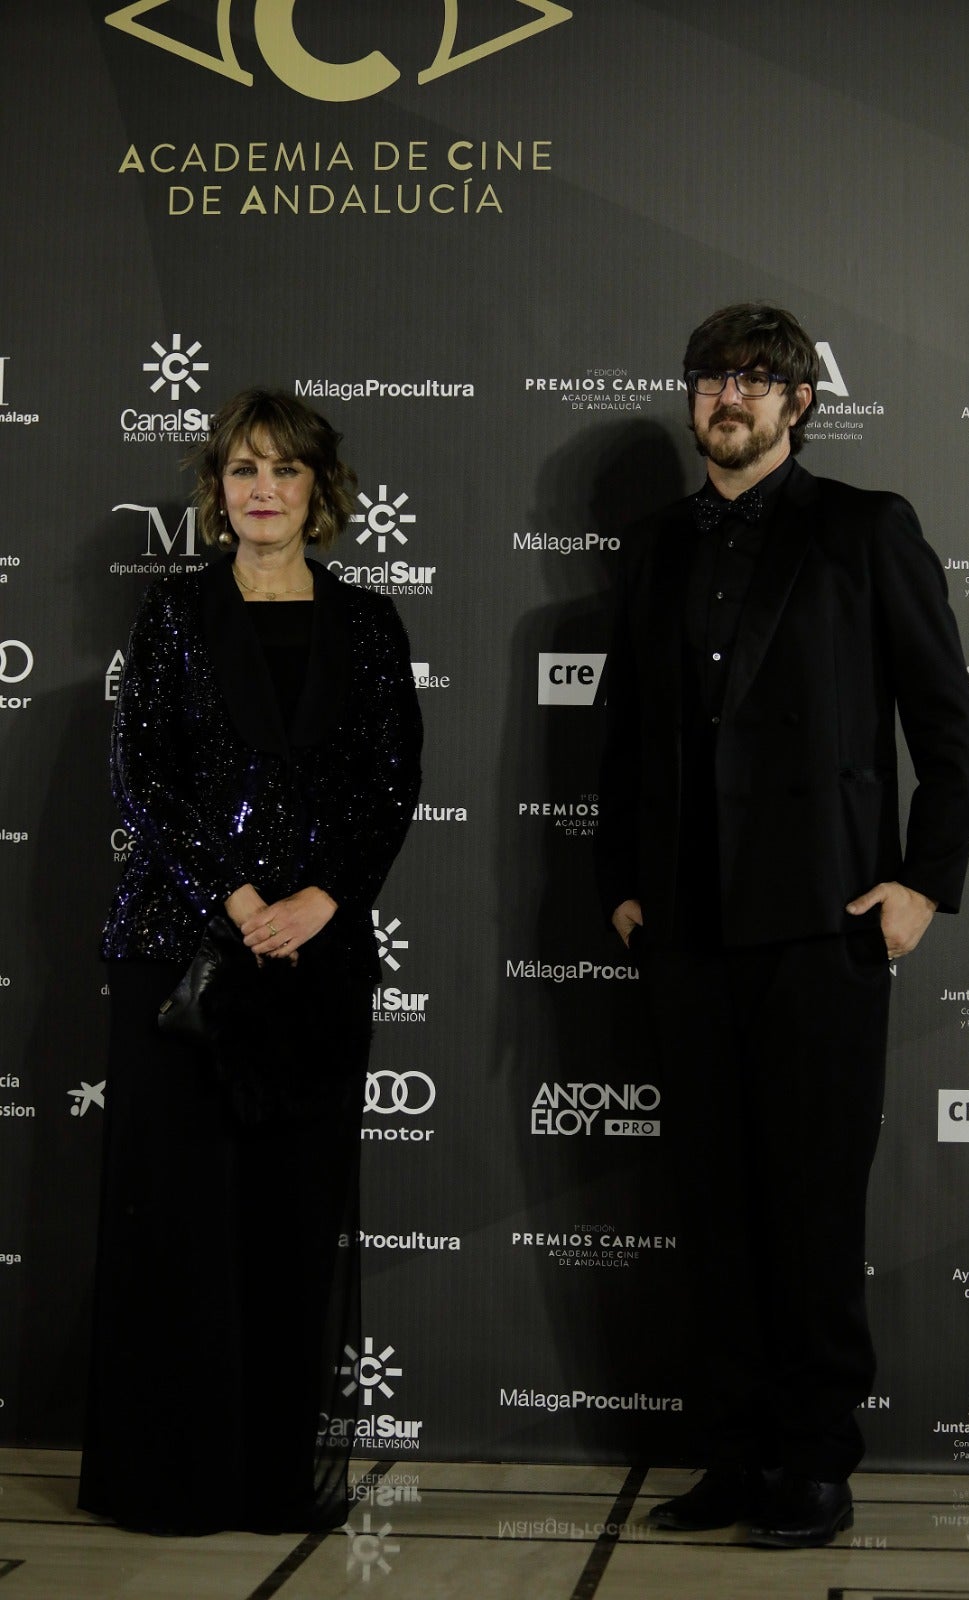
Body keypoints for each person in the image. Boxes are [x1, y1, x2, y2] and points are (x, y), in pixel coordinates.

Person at [595, 305, 969, 1548]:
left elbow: (947, 721)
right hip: (688, 935)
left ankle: (815, 1458)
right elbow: (619, 737)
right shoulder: (651, 544)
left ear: (800, 402)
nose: (729, 395)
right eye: (711, 375)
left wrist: (924, 881)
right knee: (713, 1208)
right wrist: (621, 882)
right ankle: (736, 1453)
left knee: (810, 1207)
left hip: (824, 926)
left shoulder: (864, 528)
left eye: (757, 379)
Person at [78, 389, 422, 1534]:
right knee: (176, 1224)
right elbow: (147, 778)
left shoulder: (370, 624)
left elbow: (389, 787)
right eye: (240, 470)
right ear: (215, 494)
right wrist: (236, 899)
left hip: (312, 967)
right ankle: (169, 1480)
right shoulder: (173, 617)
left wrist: (320, 900)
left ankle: (272, 1476)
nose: (260, 489)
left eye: (282, 470)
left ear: (320, 492)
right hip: (181, 956)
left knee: (288, 1221)